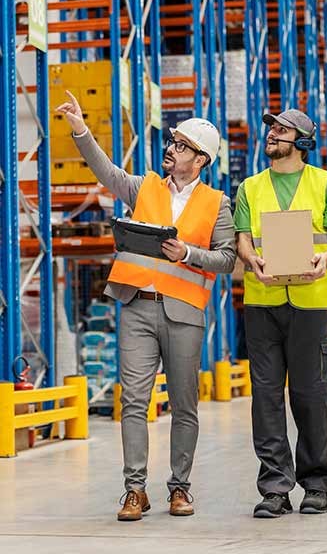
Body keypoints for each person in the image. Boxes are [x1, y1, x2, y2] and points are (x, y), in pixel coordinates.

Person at [57, 91, 236, 521]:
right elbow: (107, 172)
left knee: (184, 403)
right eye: (172, 144)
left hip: (184, 313)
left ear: (201, 160)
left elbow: (228, 258)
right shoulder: (145, 187)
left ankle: (180, 488)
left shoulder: (217, 204)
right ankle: (134, 490)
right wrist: (81, 129)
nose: (171, 150)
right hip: (136, 306)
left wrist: (188, 255)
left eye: (181, 146)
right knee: (133, 401)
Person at [234, 109, 327, 518]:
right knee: (265, 398)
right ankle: (274, 489)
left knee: (311, 396)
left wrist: (326, 257)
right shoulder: (250, 187)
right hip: (262, 302)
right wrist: (252, 261)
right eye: (271, 129)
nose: (272, 135)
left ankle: (316, 483)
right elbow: (243, 241)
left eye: (281, 130)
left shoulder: (325, 184)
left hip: (311, 302)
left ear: (302, 141)